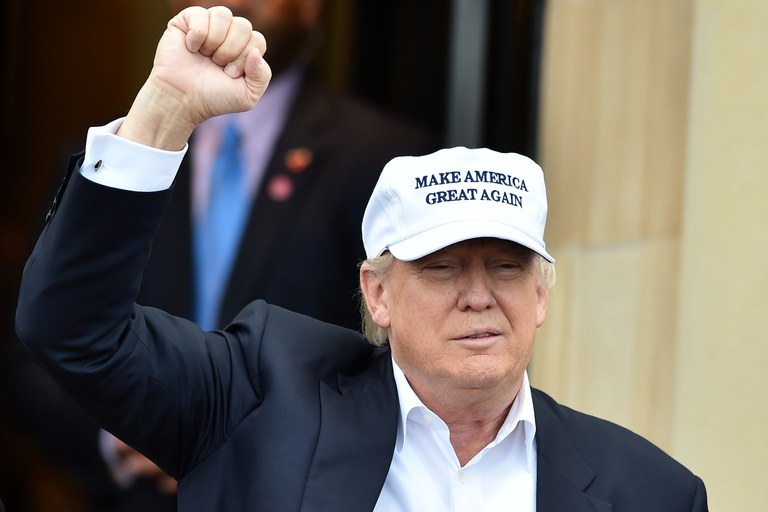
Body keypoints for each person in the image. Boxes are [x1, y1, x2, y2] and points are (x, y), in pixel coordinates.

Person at [16, 6, 708, 511]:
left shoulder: (649, 491)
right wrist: (164, 111)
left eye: (507, 267)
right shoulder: (261, 399)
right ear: (376, 293)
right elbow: (75, 328)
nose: (478, 296)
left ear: (543, 295)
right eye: (440, 267)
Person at [4, 0, 436, 509]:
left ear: (313, 8)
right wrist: (117, 434)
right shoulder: (114, 151)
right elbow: (38, 343)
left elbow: (405, 360)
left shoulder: (387, 158)